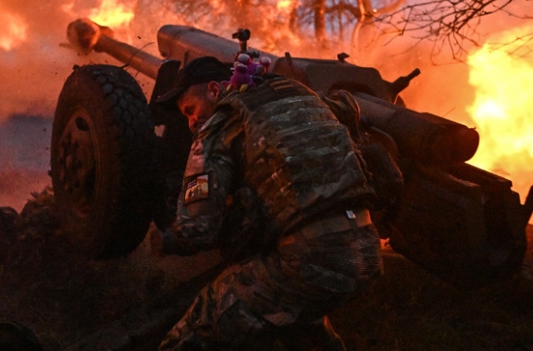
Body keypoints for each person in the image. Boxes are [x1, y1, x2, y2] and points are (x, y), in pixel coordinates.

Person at [152, 56, 385, 351]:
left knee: (192, 333)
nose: (191, 122)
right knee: (302, 327)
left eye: (190, 110)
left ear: (214, 90)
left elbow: (199, 228)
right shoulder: (303, 96)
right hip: (364, 250)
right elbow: (347, 108)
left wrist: (165, 239)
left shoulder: (218, 124)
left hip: (308, 257)